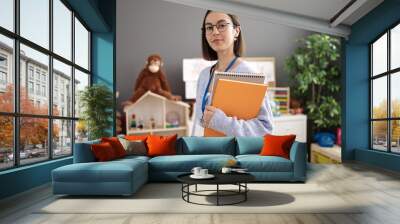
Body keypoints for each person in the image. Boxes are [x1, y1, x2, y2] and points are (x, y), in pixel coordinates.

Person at [192, 10, 274, 136]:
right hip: (205, 150)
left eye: (222, 25)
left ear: (236, 31)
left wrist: (222, 122)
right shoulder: (204, 75)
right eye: (209, 27)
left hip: (233, 154)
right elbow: (199, 124)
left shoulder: (249, 74)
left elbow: (265, 129)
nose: (215, 32)